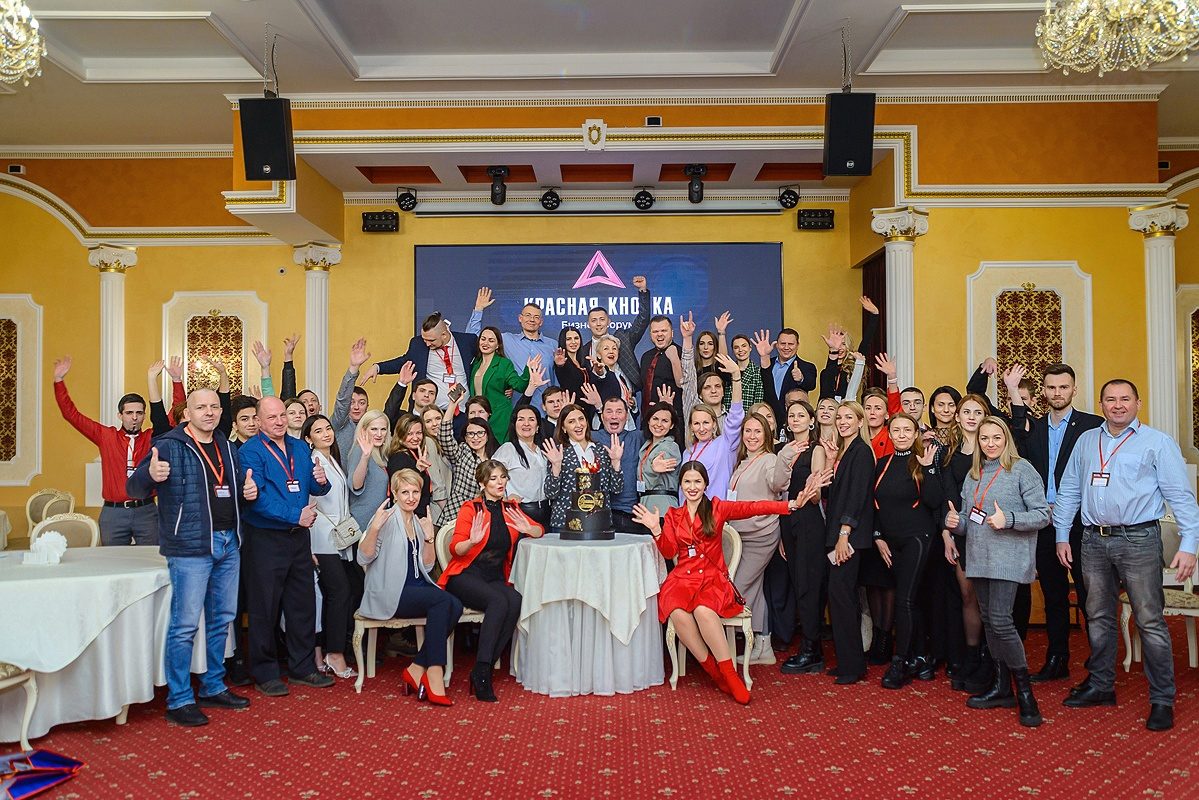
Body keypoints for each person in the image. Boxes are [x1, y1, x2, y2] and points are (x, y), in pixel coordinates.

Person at [1054, 379, 1199, 733]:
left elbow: (1181, 496)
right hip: (1093, 540)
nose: (1117, 405)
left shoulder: (1157, 442)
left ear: (1138, 403)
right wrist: (1061, 535)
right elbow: (1069, 489)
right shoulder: (1087, 440)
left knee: (1149, 620)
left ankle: (1162, 699)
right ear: (1101, 404)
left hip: (1138, 541)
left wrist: (1189, 544)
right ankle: (1101, 686)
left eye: (1124, 399)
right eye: (1110, 399)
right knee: (1098, 616)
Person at [126, 388, 257, 727]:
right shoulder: (169, 445)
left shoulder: (227, 445)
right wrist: (149, 475)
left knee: (221, 620)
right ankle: (179, 698)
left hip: (229, 542)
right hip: (190, 547)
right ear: (188, 413)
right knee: (184, 625)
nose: (209, 412)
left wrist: (248, 492)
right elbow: (134, 488)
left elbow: (232, 488)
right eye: (201, 407)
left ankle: (213, 685)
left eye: (214, 407)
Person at [631, 461, 812, 704]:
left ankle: (730, 675)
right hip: (682, 580)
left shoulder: (717, 507)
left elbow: (753, 507)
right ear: (681, 485)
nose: (692, 487)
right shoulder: (674, 515)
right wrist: (656, 530)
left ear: (705, 484)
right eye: (687, 482)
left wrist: (790, 505)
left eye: (697, 481)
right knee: (676, 612)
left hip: (711, 580)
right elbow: (669, 551)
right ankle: (713, 671)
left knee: (703, 611)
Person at [946, 416, 1049, 728]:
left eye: (996, 438)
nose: (990, 444)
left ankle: (1026, 694)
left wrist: (1010, 520)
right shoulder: (974, 474)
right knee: (990, 621)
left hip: (1009, 559)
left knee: (1002, 621)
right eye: (984, 438)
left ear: (1006, 440)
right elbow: (970, 520)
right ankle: (1002, 688)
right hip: (979, 558)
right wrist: (956, 524)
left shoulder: (1021, 469)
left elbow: (1043, 515)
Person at [1005, 362, 1102, 684]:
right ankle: (1057, 659)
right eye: (1051, 387)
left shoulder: (1093, 426)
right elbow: (1015, 437)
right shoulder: (1034, 428)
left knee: (1090, 597)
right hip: (1044, 525)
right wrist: (1012, 391)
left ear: (1074, 389)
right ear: (1043, 392)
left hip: (1081, 524)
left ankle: (1100, 667)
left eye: (1063, 387)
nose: (1057, 393)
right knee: (1053, 595)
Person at [235, 396, 335, 696]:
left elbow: (312, 486)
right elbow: (258, 498)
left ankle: (303, 668)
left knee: (302, 604)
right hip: (265, 538)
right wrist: (296, 515)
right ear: (258, 421)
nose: (279, 421)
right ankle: (265, 673)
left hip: (298, 537)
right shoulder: (249, 452)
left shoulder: (301, 447)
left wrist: (321, 482)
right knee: (264, 607)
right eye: (271, 417)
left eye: (282, 415)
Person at [440, 461, 545, 701]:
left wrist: (528, 528)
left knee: (515, 600)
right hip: (465, 575)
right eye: (494, 478)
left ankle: (482, 670)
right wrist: (472, 541)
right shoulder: (471, 508)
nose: (500, 483)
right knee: (499, 601)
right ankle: (483, 671)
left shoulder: (510, 508)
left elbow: (539, 530)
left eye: (503, 477)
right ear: (482, 483)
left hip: (494, 577)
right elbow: (455, 548)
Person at [359, 469, 464, 706]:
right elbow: (363, 558)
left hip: (415, 587)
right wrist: (374, 529)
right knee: (442, 601)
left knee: (455, 604)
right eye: (405, 492)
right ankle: (434, 672)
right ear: (394, 493)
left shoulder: (417, 521)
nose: (411, 497)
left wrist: (428, 537)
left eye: (415, 492)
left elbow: (427, 566)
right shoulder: (385, 519)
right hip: (390, 592)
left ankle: (417, 668)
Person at [53, 354, 160, 546]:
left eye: (139, 413)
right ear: (120, 415)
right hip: (114, 513)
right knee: (112, 560)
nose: (134, 417)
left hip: (147, 512)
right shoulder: (106, 436)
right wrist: (59, 381)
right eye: (129, 413)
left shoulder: (152, 437)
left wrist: (176, 380)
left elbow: (175, 416)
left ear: (145, 415)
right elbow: (72, 415)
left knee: (150, 559)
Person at [872, 413, 943, 689]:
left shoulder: (921, 461)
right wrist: (878, 536)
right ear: (889, 434)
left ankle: (900, 661)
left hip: (918, 538)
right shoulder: (881, 464)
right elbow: (873, 504)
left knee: (904, 599)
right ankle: (920, 657)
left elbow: (934, 501)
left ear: (915, 435)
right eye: (896, 430)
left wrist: (929, 469)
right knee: (910, 601)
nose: (901, 435)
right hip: (891, 542)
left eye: (907, 430)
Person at [727, 411, 800, 665]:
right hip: (740, 535)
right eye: (748, 431)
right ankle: (763, 646)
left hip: (760, 535)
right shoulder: (743, 461)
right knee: (756, 590)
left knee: (736, 586)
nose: (752, 436)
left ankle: (725, 645)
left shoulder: (770, 459)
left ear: (767, 434)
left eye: (758, 431)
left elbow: (778, 484)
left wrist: (785, 457)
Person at [821, 401, 875, 685]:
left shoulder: (862, 452)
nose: (842, 422)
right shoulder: (845, 451)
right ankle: (848, 662)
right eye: (839, 417)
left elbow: (856, 496)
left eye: (848, 418)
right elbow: (831, 492)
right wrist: (831, 461)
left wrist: (844, 534)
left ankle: (852, 666)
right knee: (841, 597)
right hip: (839, 533)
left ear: (860, 422)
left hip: (848, 536)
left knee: (841, 595)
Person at [941, 393, 991, 694]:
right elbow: (947, 498)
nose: (971, 417)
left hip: (992, 532)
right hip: (961, 533)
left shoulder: (994, 450)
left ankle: (990, 655)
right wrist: (947, 534)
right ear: (957, 417)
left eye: (978, 412)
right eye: (966, 412)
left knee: (991, 598)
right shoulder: (949, 454)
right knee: (968, 594)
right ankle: (971, 655)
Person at [301, 414, 358, 680]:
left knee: (333, 594)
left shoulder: (332, 459)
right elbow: (310, 502)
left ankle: (322, 652)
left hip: (337, 536)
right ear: (308, 438)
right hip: (321, 536)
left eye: (327, 428)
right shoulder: (313, 461)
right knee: (339, 592)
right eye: (318, 431)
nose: (326, 433)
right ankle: (334, 653)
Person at [779, 400, 833, 675]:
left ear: (812, 421)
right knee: (797, 580)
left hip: (809, 519)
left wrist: (810, 491)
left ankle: (811, 649)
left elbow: (816, 493)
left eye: (802, 415)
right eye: (792, 415)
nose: (796, 419)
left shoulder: (817, 449)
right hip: (787, 517)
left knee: (808, 584)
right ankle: (813, 647)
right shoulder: (783, 450)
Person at [360, 312, 479, 416]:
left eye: (431, 340)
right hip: (430, 414)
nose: (427, 344)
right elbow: (403, 362)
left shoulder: (467, 341)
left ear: (444, 334)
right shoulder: (418, 344)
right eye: (424, 339)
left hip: (462, 412)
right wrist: (378, 367)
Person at [467, 288, 558, 407]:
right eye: (528, 315)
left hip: (546, 408)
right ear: (520, 318)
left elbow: (557, 379)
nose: (531, 319)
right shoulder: (506, 340)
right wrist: (478, 309)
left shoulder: (553, 345)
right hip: (515, 407)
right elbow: (473, 338)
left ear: (541, 322)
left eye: (536, 317)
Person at [542, 404, 624, 531]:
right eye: (571, 421)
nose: (578, 424)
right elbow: (550, 493)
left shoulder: (601, 450)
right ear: (563, 427)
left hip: (598, 522)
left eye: (581, 419)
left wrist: (616, 462)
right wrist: (556, 466)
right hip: (566, 522)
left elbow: (616, 489)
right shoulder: (559, 452)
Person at [680, 354, 743, 500]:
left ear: (714, 423)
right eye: (697, 424)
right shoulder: (688, 452)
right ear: (691, 427)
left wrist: (736, 376)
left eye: (706, 423)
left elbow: (736, 415)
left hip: (715, 510)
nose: (702, 428)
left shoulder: (725, 443)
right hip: (689, 512)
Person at [467, 325, 536, 443]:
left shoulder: (504, 363)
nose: (486, 343)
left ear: (497, 345)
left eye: (491, 340)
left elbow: (520, 386)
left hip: (499, 417)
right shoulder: (476, 363)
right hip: (478, 418)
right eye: (483, 339)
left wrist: (528, 370)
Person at [583, 275, 650, 385]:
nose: (598, 324)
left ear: (608, 322)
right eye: (594, 320)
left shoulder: (623, 339)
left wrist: (642, 290)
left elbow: (643, 319)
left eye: (602, 319)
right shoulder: (584, 351)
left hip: (627, 394)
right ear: (588, 324)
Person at [492, 405, 550, 529]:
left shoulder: (544, 450)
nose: (526, 423)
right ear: (514, 425)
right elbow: (490, 477)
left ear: (538, 427)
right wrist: (504, 497)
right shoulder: (508, 449)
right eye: (521, 419)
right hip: (519, 512)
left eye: (531, 419)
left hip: (546, 511)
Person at [593, 396, 644, 532]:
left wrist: (667, 407)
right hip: (598, 513)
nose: (614, 416)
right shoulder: (591, 438)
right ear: (602, 416)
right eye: (609, 411)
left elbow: (663, 430)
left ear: (626, 416)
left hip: (630, 513)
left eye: (619, 411)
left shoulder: (638, 437)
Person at [439, 410, 500, 520]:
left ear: (487, 435)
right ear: (466, 438)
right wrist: (452, 405)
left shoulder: (496, 458)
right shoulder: (463, 452)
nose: (475, 438)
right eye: (471, 434)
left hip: (485, 514)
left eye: (480, 433)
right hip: (457, 513)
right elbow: (444, 437)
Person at [757, 328, 817, 422]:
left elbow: (811, 384)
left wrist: (801, 379)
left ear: (797, 345)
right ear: (777, 345)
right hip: (768, 420)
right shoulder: (767, 364)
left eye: (790, 344)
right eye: (783, 343)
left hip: (793, 420)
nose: (786, 347)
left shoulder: (806, 367)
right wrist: (764, 357)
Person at [329, 338, 375, 460]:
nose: (356, 407)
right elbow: (342, 401)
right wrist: (353, 369)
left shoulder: (373, 427)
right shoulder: (339, 423)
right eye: (352, 402)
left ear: (367, 407)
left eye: (361, 403)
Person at [636, 401, 683, 521]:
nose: (659, 424)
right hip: (645, 505)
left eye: (665, 421)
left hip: (663, 507)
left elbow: (663, 459)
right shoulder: (647, 445)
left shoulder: (670, 446)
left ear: (671, 425)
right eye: (655, 419)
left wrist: (653, 468)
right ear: (648, 421)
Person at [346, 409, 392, 531]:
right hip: (363, 523)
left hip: (379, 522)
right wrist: (365, 457)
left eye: (383, 429)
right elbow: (356, 485)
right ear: (364, 430)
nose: (379, 434)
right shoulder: (360, 451)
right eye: (374, 429)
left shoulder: (382, 454)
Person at [385, 413, 434, 518]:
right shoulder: (400, 459)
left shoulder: (412, 454)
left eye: (419, 433)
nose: (415, 438)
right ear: (400, 435)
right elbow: (405, 496)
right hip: (409, 518)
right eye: (409, 434)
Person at [639, 315, 684, 419]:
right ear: (650, 334)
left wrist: (674, 359)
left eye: (664, 330)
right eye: (655, 331)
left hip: (674, 417)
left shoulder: (682, 353)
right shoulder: (646, 356)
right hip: (648, 417)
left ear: (672, 333)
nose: (659, 334)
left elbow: (683, 384)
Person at [421, 406, 453, 525]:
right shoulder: (428, 442)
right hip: (440, 513)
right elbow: (436, 484)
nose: (434, 424)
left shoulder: (444, 442)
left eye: (438, 418)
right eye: (428, 421)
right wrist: (449, 515)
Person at [724, 332, 764, 409]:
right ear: (732, 351)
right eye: (736, 347)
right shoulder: (728, 371)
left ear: (750, 348)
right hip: (729, 414)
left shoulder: (758, 372)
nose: (740, 350)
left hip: (749, 415)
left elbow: (758, 401)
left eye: (744, 346)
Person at [553, 328, 590, 401]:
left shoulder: (584, 361)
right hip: (571, 405)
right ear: (563, 341)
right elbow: (561, 372)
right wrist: (560, 366)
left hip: (586, 404)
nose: (573, 342)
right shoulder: (563, 362)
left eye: (576, 338)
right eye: (568, 339)